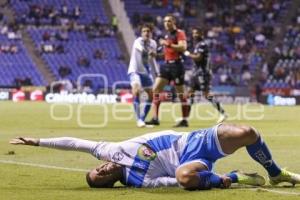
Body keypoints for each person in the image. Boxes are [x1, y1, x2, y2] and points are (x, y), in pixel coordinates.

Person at [10, 123, 300, 189]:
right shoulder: (138, 181)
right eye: (99, 175)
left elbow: (74, 143)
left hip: (192, 139)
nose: (100, 168)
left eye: (96, 168)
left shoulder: (109, 150)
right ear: (108, 180)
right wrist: (214, 179)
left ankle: (275, 173)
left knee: (248, 132)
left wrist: (36, 141)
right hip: (191, 163)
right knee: (183, 177)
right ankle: (236, 176)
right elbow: (170, 183)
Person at [146, 14, 190, 127]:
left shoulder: (179, 33)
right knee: (155, 90)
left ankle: (184, 120)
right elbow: (167, 52)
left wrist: (168, 44)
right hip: (166, 66)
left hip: (177, 66)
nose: (166, 23)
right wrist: (156, 54)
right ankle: (155, 118)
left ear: (174, 22)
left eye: (169, 21)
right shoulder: (167, 35)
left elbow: (183, 47)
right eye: (165, 21)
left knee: (181, 94)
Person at [184, 27, 227, 124]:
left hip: (203, 73)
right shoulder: (198, 45)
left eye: (197, 33)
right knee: (190, 93)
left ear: (201, 34)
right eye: (194, 33)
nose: (195, 35)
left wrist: (188, 54)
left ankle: (223, 113)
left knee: (206, 95)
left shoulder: (202, 44)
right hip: (196, 73)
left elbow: (198, 58)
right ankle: (185, 119)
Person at [128, 24, 158, 127]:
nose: (146, 33)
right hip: (135, 70)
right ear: (141, 33)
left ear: (151, 33)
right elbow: (141, 49)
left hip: (145, 72)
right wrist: (149, 52)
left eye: (148, 31)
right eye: (144, 31)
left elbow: (153, 60)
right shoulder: (138, 41)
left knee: (151, 96)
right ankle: (138, 120)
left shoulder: (153, 43)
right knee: (136, 91)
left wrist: (157, 72)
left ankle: (142, 119)